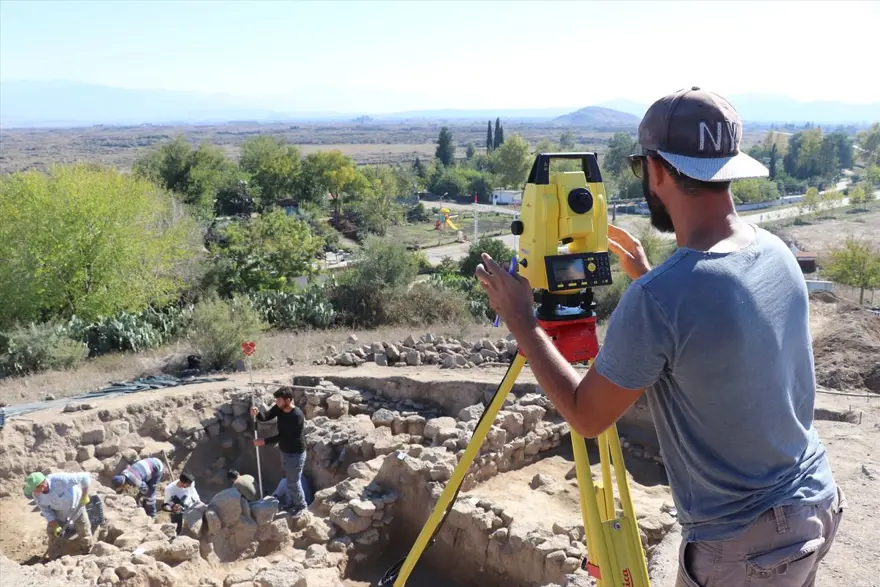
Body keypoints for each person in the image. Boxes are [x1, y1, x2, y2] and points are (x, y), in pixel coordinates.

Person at [476, 87, 843, 587]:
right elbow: (716, 332)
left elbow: (586, 417)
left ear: (657, 170)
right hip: (814, 502)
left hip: (746, 543)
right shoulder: (776, 251)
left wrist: (522, 320)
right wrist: (652, 277)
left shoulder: (662, 298)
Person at [250, 388, 307, 516]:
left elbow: (285, 436)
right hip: (285, 451)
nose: (276, 402)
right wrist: (257, 414)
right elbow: (266, 417)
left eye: (279, 399)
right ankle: (293, 503)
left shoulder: (296, 415)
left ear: (288, 400)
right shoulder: (279, 408)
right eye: (276, 399)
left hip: (296, 453)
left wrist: (264, 441)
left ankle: (301, 506)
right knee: (289, 480)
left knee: (293, 482)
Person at [24, 471, 93, 559]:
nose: (33, 492)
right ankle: (54, 558)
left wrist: (85, 495)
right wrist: (55, 525)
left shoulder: (60, 479)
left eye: (34, 489)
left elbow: (85, 477)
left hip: (76, 505)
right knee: (53, 533)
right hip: (58, 510)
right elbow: (46, 510)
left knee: (84, 529)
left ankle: (86, 552)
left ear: (42, 485)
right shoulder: (36, 495)